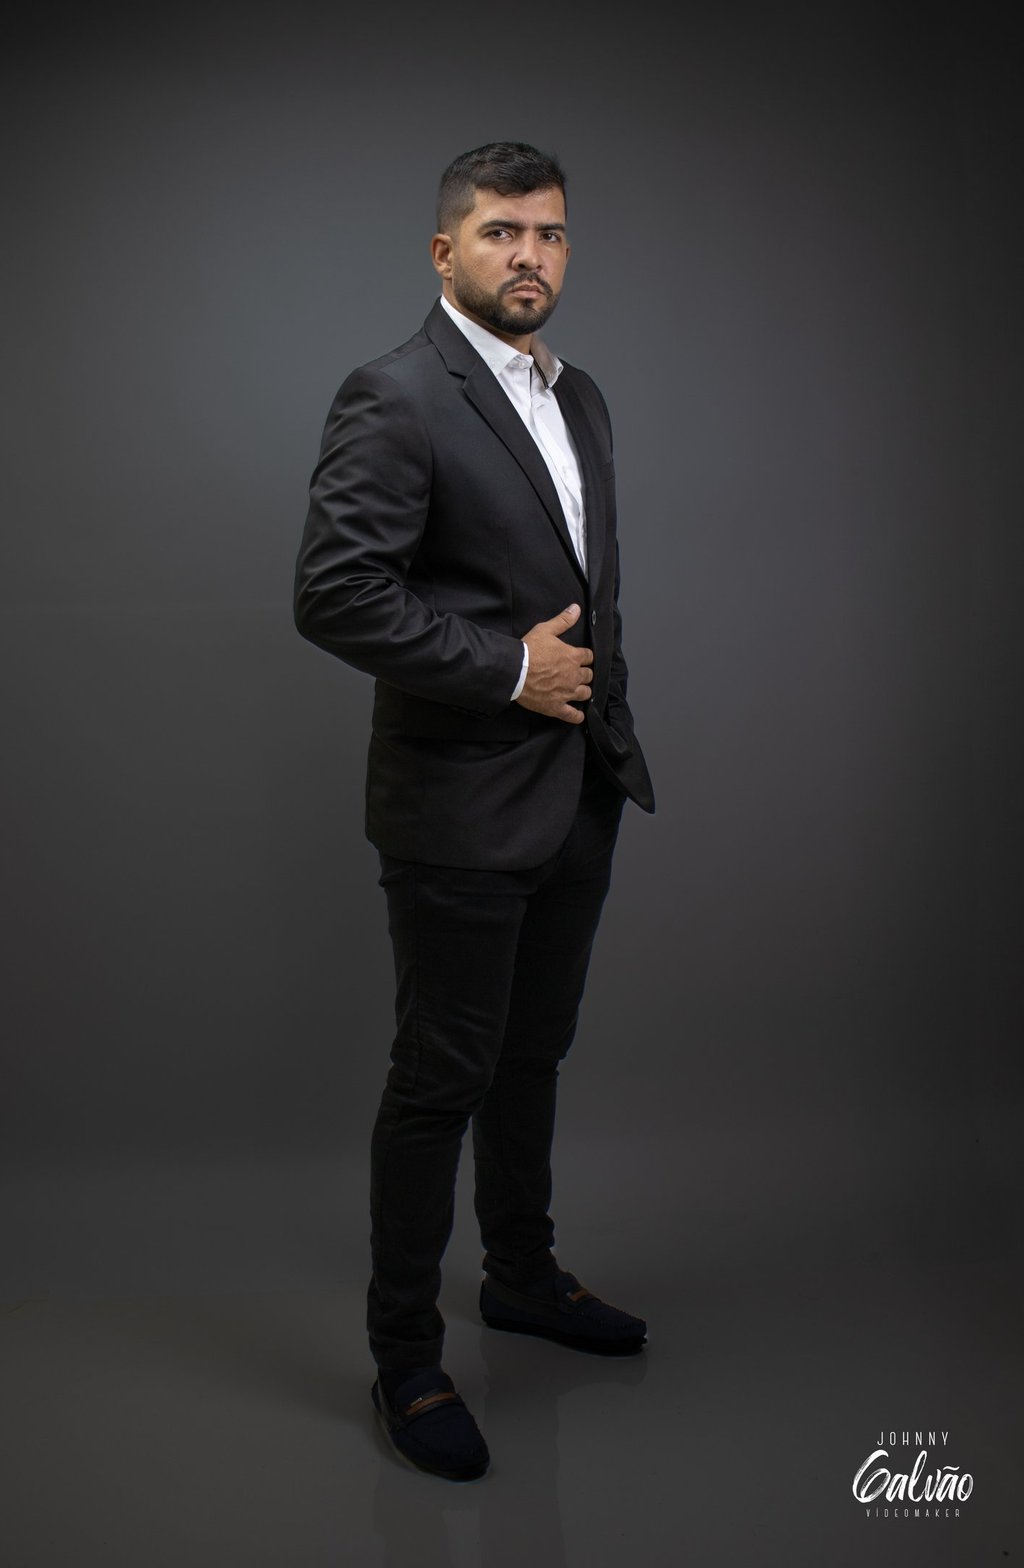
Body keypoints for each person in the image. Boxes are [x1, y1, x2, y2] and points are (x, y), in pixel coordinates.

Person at [294, 141, 655, 1482]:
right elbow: (335, 594)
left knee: (532, 1056)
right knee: (439, 1077)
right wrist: (511, 670)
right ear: (445, 252)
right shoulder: (394, 395)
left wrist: (595, 719)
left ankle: (521, 1275)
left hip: (577, 788)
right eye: (502, 232)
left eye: (550, 233)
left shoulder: (582, 395)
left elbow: (579, 581)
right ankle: (405, 1358)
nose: (530, 255)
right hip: (456, 805)